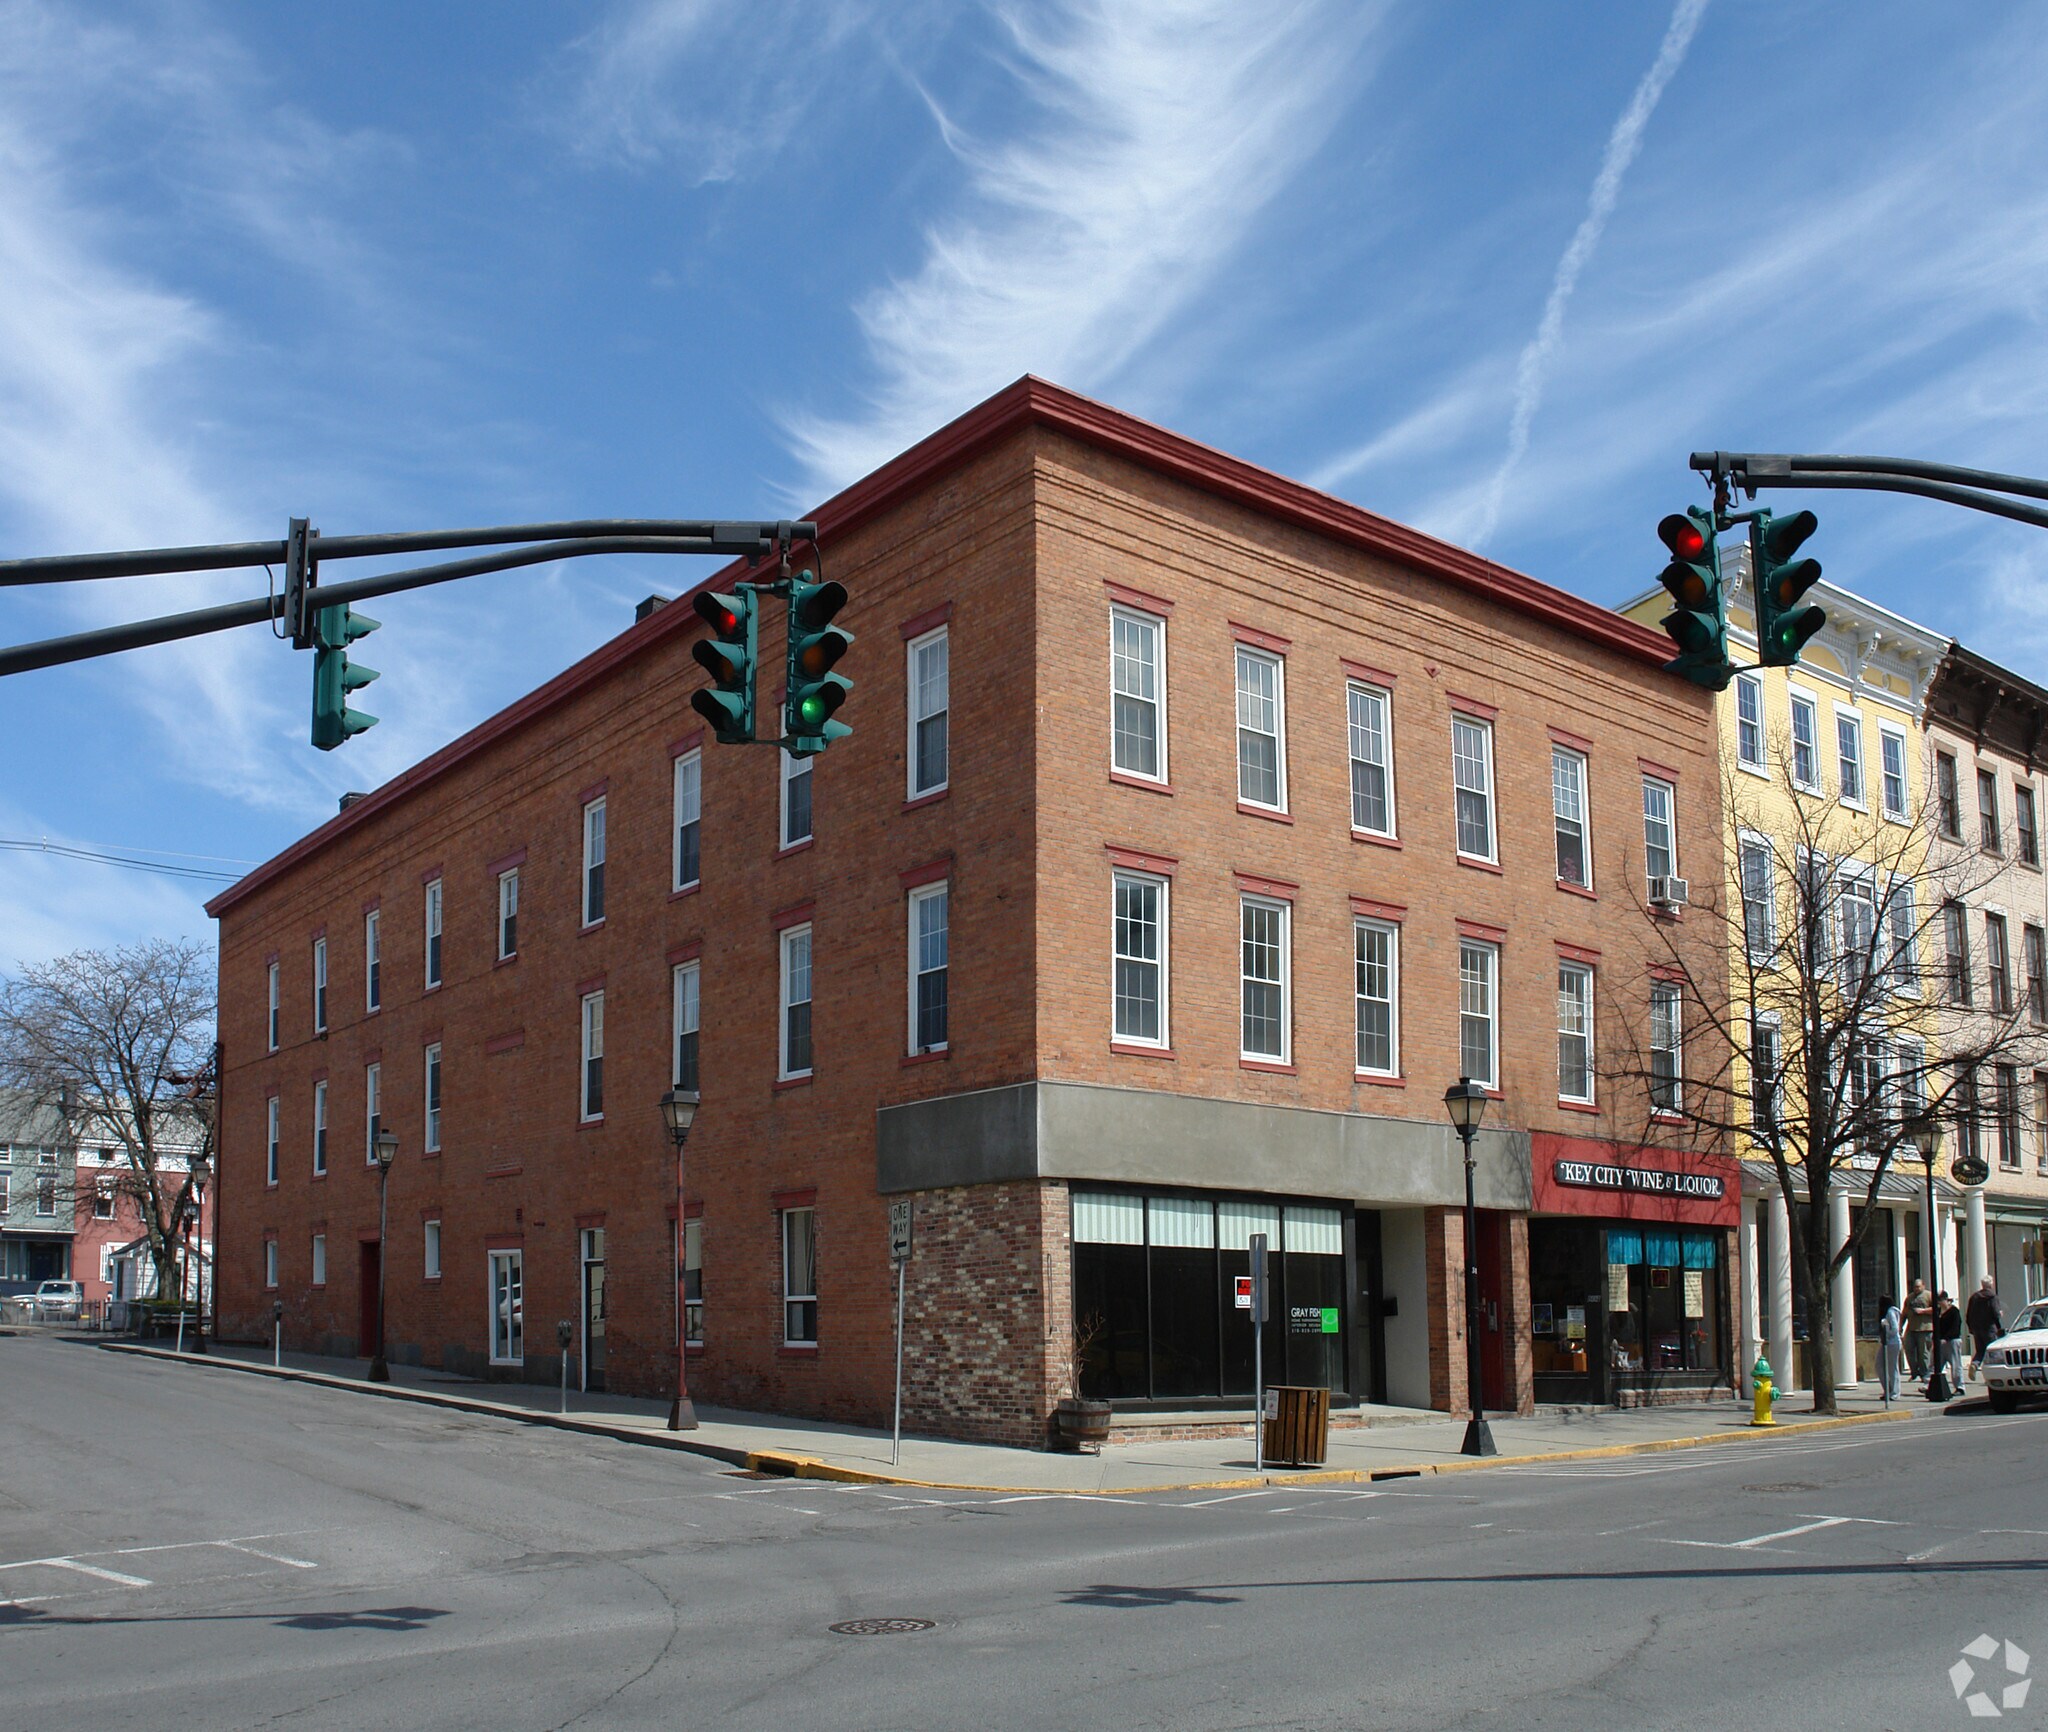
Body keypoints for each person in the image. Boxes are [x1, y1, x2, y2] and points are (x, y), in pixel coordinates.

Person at [1966, 1278, 2005, 1380]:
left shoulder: (1974, 1297)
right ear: (1991, 1285)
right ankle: (1994, 1375)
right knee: (1992, 1351)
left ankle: (1975, 1364)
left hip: (1977, 1329)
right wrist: (1999, 1316)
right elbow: (1995, 1313)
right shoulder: (1992, 1297)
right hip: (1990, 1328)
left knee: (1980, 1350)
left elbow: (1968, 1314)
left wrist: (1971, 1328)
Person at [1934, 1290, 1965, 1393]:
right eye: (1937, 1301)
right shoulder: (1938, 1312)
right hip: (1940, 1342)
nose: (1939, 1303)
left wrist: (1946, 1338)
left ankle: (1959, 1387)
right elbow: (1937, 1327)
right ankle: (1930, 1385)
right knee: (1936, 1364)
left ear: (1946, 1300)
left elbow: (1955, 1327)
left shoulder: (1954, 1311)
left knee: (1955, 1365)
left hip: (1952, 1341)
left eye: (1940, 1300)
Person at [1904, 1278, 1934, 1377]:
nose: (1916, 1289)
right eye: (1914, 1287)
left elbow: (1937, 1309)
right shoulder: (1909, 1298)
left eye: (1918, 1286)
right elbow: (1904, 1312)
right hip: (1911, 1328)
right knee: (1908, 1349)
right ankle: (1914, 1370)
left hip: (1925, 1328)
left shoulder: (1929, 1295)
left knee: (1924, 1353)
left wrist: (1923, 1311)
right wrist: (1900, 1326)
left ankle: (1925, 1374)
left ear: (1923, 1286)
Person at [1876, 1294, 1903, 1402]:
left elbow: (1895, 1328)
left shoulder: (1891, 1312)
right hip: (1886, 1343)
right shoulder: (1891, 1312)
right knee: (1879, 1366)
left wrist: (1886, 1335)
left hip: (1892, 1343)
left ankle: (1895, 1392)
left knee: (1892, 1368)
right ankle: (1888, 1389)